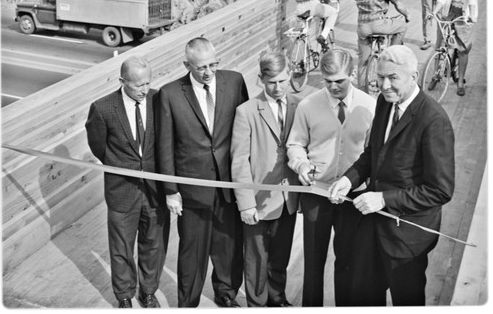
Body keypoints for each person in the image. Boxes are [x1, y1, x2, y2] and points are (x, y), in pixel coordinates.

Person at [328, 45, 455, 306]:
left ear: (415, 76)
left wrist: (384, 199)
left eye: (393, 78)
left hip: (407, 239)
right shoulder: (385, 102)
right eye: (381, 77)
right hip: (373, 228)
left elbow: (440, 190)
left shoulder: (434, 121)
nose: (384, 85)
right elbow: (373, 153)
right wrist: (349, 179)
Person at [155, 37, 249, 307]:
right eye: (201, 68)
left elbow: (244, 133)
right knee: (192, 252)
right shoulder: (170, 94)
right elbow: (165, 146)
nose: (209, 72)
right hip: (192, 191)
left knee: (229, 248)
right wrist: (171, 191)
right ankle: (188, 302)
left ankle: (226, 295)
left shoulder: (234, 81)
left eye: (213, 64)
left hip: (228, 186)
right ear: (187, 65)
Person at [286, 48, 376, 306]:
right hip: (317, 194)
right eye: (328, 81)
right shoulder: (308, 105)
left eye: (340, 80)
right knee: (313, 261)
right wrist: (301, 165)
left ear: (353, 74)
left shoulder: (370, 106)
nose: (334, 86)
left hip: (352, 197)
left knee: (347, 261)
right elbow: (295, 144)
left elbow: (372, 154)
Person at [85, 55, 170, 308]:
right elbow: (98, 147)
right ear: (122, 81)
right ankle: (124, 295)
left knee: (154, 244)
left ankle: (148, 291)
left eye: (147, 83)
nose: (145, 90)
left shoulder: (159, 100)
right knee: (121, 247)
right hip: (121, 190)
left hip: (155, 191)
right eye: (138, 85)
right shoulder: (102, 108)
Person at [230, 52, 301, 307]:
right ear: (261, 79)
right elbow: (239, 161)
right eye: (272, 82)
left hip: (288, 199)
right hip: (257, 201)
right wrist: (246, 203)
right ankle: (257, 304)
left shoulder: (299, 105)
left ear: (289, 76)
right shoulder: (246, 111)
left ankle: (277, 297)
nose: (278, 87)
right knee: (256, 258)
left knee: (280, 255)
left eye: (283, 81)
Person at [353, 0, 409, 89]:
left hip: (362, 26)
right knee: (402, 26)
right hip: (378, 24)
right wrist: (407, 15)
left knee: (363, 60)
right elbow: (399, 5)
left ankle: (362, 89)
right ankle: (391, 54)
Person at [429, 0, 479, 96]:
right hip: (450, 12)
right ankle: (436, 75)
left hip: (465, 16)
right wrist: (434, 11)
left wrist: (472, 15)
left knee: (462, 49)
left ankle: (460, 81)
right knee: (441, 45)